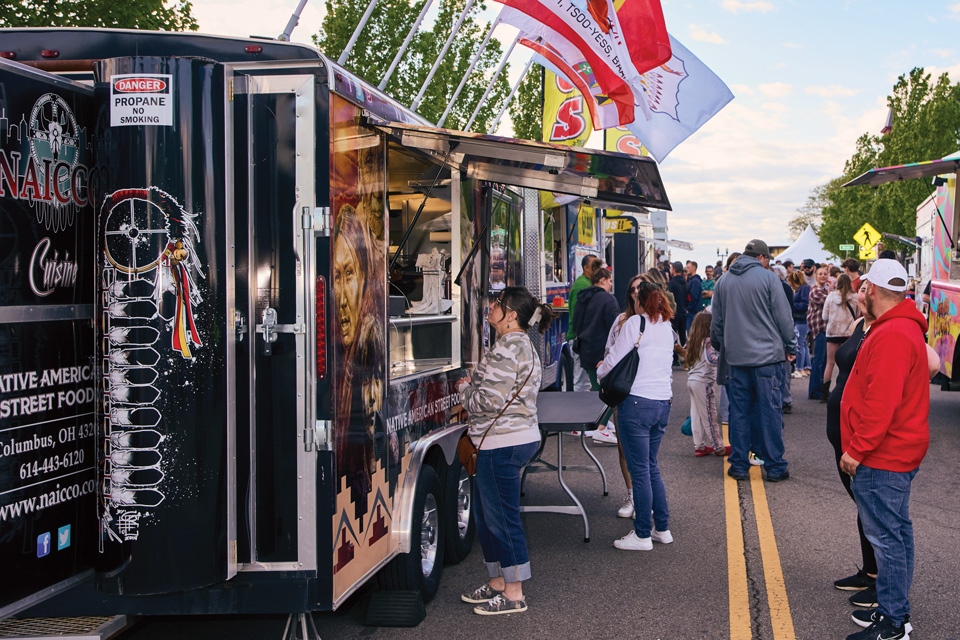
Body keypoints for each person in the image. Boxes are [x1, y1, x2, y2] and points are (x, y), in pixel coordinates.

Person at [839, 260, 931, 640]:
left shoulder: (892, 334)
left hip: (882, 456)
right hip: (893, 452)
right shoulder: (900, 328)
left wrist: (856, 451)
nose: (861, 295)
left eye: (863, 290)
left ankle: (894, 622)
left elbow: (881, 402)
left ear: (872, 291)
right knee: (897, 534)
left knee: (888, 539)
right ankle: (895, 612)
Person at [458, 287, 556, 615]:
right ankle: (498, 582)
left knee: (500, 519)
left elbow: (488, 402)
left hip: (501, 442)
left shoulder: (505, 349)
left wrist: (464, 390)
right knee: (488, 517)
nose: (491, 307)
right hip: (517, 437)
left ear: (511, 314)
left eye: (497, 304)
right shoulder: (523, 345)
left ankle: (514, 593)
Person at [710, 240, 797, 482]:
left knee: (739, 412)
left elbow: (716, 322)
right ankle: (775, 466)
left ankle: (738, 464)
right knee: (769, 411)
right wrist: (791, 347)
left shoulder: (723, 281)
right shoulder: (769, 279)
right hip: (767, 357)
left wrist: (721, 346)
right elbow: (784, 318)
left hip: (736, 358)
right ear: (761, 257)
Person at [598, 281, 675, 550]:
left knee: (639, 470)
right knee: (651, 466)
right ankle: (662, 528)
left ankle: (642, 534)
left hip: (636, 404)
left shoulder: (635, 324)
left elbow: (614, 360)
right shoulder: (667, 327)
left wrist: (600, 373)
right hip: (662, 403)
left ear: (641, 301)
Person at [603, 274, 645, 518]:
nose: (636, 293)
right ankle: (631, 495)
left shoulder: (658, 321)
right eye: (632, 289)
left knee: (645, 453)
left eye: (640, 288)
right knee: (623, 448)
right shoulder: (621, 320)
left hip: (648, 394)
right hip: (623, 391)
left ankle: (644, 496)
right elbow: (609, 351)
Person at [685, 311, 729, 456]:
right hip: (703, 381)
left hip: (692, 380)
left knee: (696, 415)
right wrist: (725, 361)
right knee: (709, 415)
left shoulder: (692, 340)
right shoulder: (708, 341)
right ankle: (718, 446)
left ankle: (699, 446)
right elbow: (711, 359)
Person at [571, 267, 619, 391]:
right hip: (603, 354)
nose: (611, 284)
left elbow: (575, 322)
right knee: (606, 393)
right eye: (610, 281)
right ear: (603, 280)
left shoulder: (582, 298)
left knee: (590, 387)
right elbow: (615, 329)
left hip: (586, 352)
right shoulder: (609, 300)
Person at [821, 274, 859, 401]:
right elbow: (858, 315)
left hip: (833, 332)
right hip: (849, 333)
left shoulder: (831, 296)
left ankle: (825, 392)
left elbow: (824, 316)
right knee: (848, 364)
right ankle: (846, 390)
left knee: (830, 363)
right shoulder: (854, 297)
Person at [567, 255, 601, 392]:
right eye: (594, 266)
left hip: (583, 339)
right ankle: (579, 410)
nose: (597, 269)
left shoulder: (587, 283)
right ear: (585, 268)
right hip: (580, 339)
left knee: (585, 381)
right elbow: (578, 315)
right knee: (581, 381)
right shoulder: (583, 285)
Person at [807, 265, 831, 400]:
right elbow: (828, 302)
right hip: (819, 328)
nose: (823, 276)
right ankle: (815, 390)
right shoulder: (816, 290)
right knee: (819, 360)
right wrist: (832, 290)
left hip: (825, 328)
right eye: (820, 274)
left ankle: (819, 389)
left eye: (825, 274)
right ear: (816, 276)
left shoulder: (824, 290)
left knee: (823, 360)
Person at [788, 271, 812, 377]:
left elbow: (804, 304)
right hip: (803, 320)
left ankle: (799, 368)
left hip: (801, 319)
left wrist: (792, 305)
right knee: (803, 343)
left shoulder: (803, 289)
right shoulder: (804, 288)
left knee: (800, 344)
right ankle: (806, 367)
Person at [667, 261, 688, 349]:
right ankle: (686, 356)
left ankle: (674, 357)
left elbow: (669, 298)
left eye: (671, 268)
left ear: (674, 269)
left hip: (674, 313)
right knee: (683, 337)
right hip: (684, 313)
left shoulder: (672, 283)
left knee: (672, 336)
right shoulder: (686, 283)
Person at [684, 260, 703, 331]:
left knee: (691, 334)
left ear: (694, 268)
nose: (687, 269)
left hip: (692, 312)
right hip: (694, 312)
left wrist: (688, 308)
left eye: (688, 267)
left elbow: (693, 297)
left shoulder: (694, 281)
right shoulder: (694, 280)